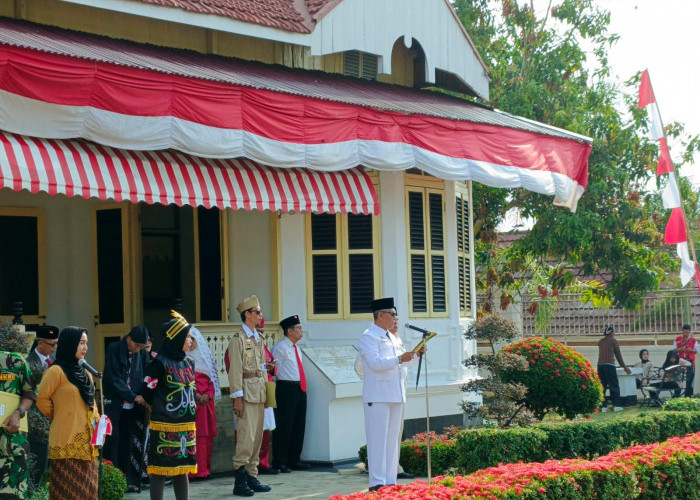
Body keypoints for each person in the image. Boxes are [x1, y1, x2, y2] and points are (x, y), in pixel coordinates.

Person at [357, 297, 419, 492]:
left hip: (395, 393)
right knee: (378, 440)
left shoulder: (392, 336)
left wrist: (415, 354)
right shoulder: (369, 336)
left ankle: (391, 480)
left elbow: (402, 363)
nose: (394, 317)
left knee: (393, 441)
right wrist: (400, 358)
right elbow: (376, 364)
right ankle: (377, 482)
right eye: (391, 314)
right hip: (378, 395)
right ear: (380, 315)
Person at [36, 326, 100, 499]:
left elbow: (91, 402)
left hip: (88, 444)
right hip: (66, 441)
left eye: (86, 343)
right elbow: (40, 398)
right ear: (69, 344)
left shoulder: (86, 372)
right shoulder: (56, 371)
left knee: (88, 492)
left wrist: (99, 422)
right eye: (81, 343)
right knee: (69, 492)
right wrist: (57, 415)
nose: (85, 348)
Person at [142, 311, 197, 500]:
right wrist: (153, 405)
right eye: (188, 337)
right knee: (160, 469)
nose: (190, 341)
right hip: (164, 423)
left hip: (186, 425)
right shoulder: (160, 363)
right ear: (178, 337)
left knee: (181, 470)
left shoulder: (190, 362)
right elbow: (147, 389)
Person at [228, 295, 271, 497]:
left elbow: (260, 366)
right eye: (257, 312)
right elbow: (235, 370)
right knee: (246, 438)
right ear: (247, 315)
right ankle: (240, 479)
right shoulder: (238, 340)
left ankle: (252, 476)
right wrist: (237, 397)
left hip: (259, 392)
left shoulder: (258, 338)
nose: (261, 316)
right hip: (246, 394)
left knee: (256, 440)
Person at [103, 325, 150, 492]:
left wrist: (145, 396)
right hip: (115, 402)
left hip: (133, 406)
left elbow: (146, 376)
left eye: (141, 346)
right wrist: (132, 396)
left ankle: (126, 480)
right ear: (129, 339)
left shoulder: (142, 354)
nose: (137, 349)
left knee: (127, 441)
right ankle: (111, 481)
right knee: (112, 441)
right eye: (136, 345)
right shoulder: (114, 348)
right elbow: (113, 378)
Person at [0, 326, 37, 500]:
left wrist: (19, 413)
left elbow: (30, 392)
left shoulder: (14, 362)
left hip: (12, 442)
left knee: (14, 494)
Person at [271, 315, 309, 474]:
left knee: (298, 425)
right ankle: (280, 461)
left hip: (299, 388)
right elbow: (274, 370)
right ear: (290, 331)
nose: (301, 331)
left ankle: (294, 459)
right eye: (299, 328)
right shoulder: (280, 347)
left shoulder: (296, 348)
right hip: (286, 388)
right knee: (284, 426)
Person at [26, 324, 58, 485]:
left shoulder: (50, 361)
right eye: (52, 344)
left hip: (49, 420)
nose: (55, 348)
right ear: (40, 344)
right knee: (38, 463)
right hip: (35, 420)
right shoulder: (29, 363)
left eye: (56, 344)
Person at [188, 327, 221, 480]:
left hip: (205, 405)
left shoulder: (205, 358)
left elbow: (212, 382)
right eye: (189, 340)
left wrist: (207, 395)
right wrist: (195, 395)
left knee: (205, 438)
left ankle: (204, 469)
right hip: (191, 403)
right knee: (192, 437)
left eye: (193, 340)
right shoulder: (184, 359)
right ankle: (193, 470)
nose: (191, 343)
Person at [596, 325, 631, 412]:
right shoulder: (613, 341)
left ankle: (603, 407)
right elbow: (618, 355)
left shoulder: (600, 342)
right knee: (614, 386)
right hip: (609, 366)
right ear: (611, 333)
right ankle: (616, 405)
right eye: (613, 332)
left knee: (602, 386)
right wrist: (624, 367)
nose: (614, 334)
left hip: (600, 366)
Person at [675, 324, 698, 397]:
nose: (685, 334)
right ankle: (677, 395)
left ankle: (688, 395)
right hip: (680, 361)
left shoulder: (693, 340)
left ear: (689, 332)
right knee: (678, 378)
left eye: (687, 332)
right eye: (684, 332)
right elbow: (673, 350)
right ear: (682, 331)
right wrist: (679, 350)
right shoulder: (677, 339)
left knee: (690, 379)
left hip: (690, 362)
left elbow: (698, 351)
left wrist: (691, 350)